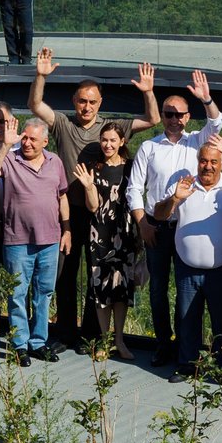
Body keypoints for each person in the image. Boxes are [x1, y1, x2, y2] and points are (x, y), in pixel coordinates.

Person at [29, 49, 161, 353]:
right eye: (81, 101)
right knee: (65, 273)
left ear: (100, 103)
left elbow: (153, 119)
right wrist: (41, 76)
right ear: (74, 101)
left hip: (102, 217)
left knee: (97, 274)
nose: (86, 106)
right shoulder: (63, 124)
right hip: (68, 212)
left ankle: (90, 335)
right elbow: (35, 105)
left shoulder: (111, 128)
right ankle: (65, 333)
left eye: (92, 102)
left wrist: (148, 92)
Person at [126, 70, 222, 366]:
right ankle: (162, 344)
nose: (174, 119)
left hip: (185, 226)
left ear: (188, 117)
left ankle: (185, 346)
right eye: (169, 114)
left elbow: (216, 123)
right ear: (163, 116)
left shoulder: (196, 142)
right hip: (155, 226)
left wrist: (206, 99)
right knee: (158, 290)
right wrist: (142, 223)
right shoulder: (149, 147)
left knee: (184, 293)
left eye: (180, 114)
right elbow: (134, 188)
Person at [0, 113, 70, 364]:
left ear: (45, 141)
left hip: (50, 239)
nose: (27, 143)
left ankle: (38, 342)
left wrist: (67, 229)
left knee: (44, 293)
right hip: (17, 239)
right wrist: (6, 145)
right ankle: (19, 344)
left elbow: (62, 196)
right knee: (17, 294)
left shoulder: (55, 162)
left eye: (33, 139)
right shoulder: (10, 159)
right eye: (24, 138)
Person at [155, 132, 222, 382]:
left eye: (214, 162)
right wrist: (174, 198)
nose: (208, 166)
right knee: (186, 318)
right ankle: (187, 365)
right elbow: (159, 215)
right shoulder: (184, 186)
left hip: (221, 268)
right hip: (187, 268)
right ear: (197, 161)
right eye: (204, 161)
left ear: (221, 164)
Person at [71, 121, 139, 359]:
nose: (108, 144)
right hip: (100, 235)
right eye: (104, 140)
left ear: (122, 142)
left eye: (113, 140)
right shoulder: (94, 168)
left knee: (121, 290)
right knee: (101, 290)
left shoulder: (132, 167)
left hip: (125, 234)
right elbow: (93, 207)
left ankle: (119, 340)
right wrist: (89, 186)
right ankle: (105, 340)